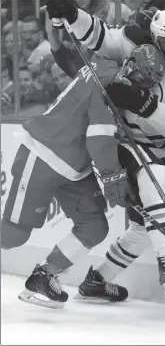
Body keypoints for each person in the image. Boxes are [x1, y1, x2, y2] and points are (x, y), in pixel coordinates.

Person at [45, 1, 165, 300]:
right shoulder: (133, 39)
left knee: (143, 228)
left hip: (147, 143)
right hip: (116, 139)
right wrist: (73, 14)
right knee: (157, 176)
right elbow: (99, 36)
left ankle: (98, 280)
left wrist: (138, 100)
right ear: (154, 37)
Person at [1, 53, 133, 309]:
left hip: (75, 166)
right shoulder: (108, 87)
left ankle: (44, 276)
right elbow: (100, 139)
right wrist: (113, 175)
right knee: (12, 235)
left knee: (94, 226)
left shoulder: (104, 65)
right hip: (44, 153)